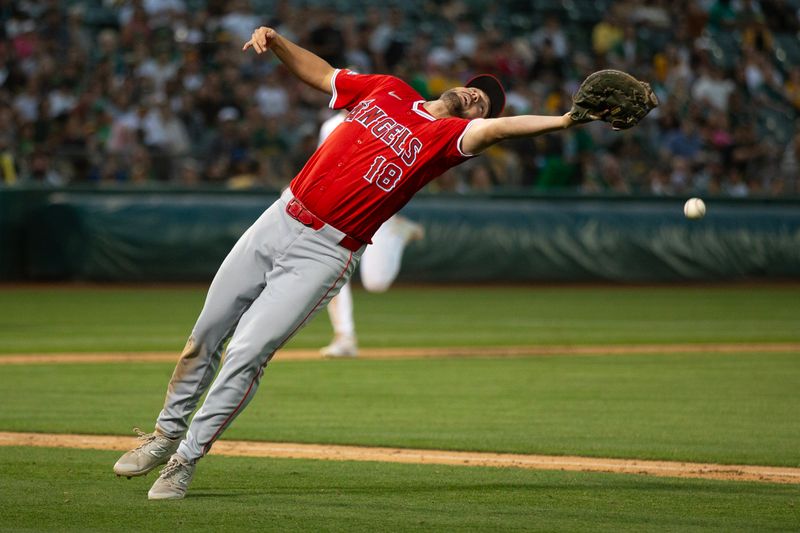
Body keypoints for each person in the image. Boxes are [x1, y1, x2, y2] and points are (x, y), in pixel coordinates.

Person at [113, 25, 611, 500]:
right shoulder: (389, 90)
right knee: (203, 335)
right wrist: (278, 40)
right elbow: (323, 74)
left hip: (326, 251)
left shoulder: (449, 142)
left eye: (484, 104)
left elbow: (502, 130)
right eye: (476, 90)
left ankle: (185, 460)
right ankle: (163, 434)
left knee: (247, 353)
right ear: (457, 85)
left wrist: (565, 120)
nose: (477, 98)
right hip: (279, 217)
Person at [317, 109, 425, 358]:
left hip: (377, 207)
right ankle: (345, 337)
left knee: (377, 283)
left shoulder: (389, 122)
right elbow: (323, 164)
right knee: (329, 267)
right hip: (341, 206)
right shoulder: (331, 126)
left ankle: (398, 232)